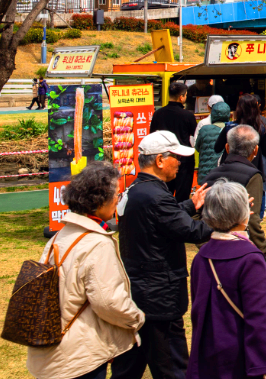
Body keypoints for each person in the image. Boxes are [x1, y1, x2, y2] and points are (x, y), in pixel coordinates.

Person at [26, 162, 144, 379]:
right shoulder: (96, 242)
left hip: (53, 347)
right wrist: (136, 318)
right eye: (116, 194)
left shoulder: (59, 237)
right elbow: (109, 301)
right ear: (100, 200)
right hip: (79, 355)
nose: (118, 199)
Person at [114, 131, 212, 379]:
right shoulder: (156, 196)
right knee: (172, 367)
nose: (180, 162)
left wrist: (190, 205)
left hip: (139, 291)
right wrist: (233, 222)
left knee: (129, 364)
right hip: (159, 297)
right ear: (159, 160)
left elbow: (161, 219)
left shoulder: (138, 190)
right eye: (176, 157)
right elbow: (191, 230)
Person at [187, 180, 266, 379]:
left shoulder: (202, 256)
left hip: (209, 353)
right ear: (243, 214)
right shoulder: (250, 259)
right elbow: (260, 316)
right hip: (243, 357)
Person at [201, 125, 266, 268]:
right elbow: (252, 219)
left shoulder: (211, 175)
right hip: (238, 247)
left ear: (227, 148)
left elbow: (197, 213)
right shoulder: (253, 176)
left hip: (212, 247)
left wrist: (204, 244)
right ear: (255, 150)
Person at [150, 81, 198, 202]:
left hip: (164, 158)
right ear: (181, 97)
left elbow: (152, 135)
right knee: (182, 195)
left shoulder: (158, 114)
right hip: (184, 160)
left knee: (165, 193)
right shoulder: (187, 115)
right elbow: (195, 135)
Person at [214, 93, 266, 183]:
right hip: (253, 173)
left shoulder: (230, 127)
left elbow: (217, 148)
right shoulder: (261, 128)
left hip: (230, 173)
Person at [194, 100, 231, 184]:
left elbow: (197, 147)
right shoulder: (231, 130)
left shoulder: (204, 129)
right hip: (225, 175)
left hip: (206, 175)